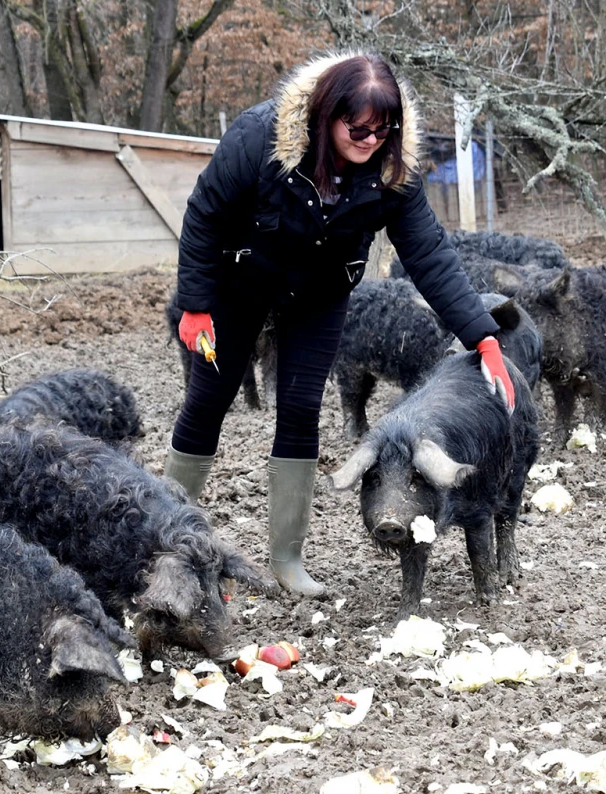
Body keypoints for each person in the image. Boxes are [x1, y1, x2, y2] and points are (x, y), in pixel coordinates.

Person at [163, 51, 515, 597]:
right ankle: (168, 543)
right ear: (326, 115)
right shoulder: (259, 138)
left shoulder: (393, 170)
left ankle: (287, 558)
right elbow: (204, 215)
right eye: (358, 128)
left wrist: (482, 336)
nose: (371, 140)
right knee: (209, 399)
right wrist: (194, 305)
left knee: (301, 408)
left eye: (383, 129)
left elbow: (428, 254)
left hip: (319, 292)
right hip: (239, 283)